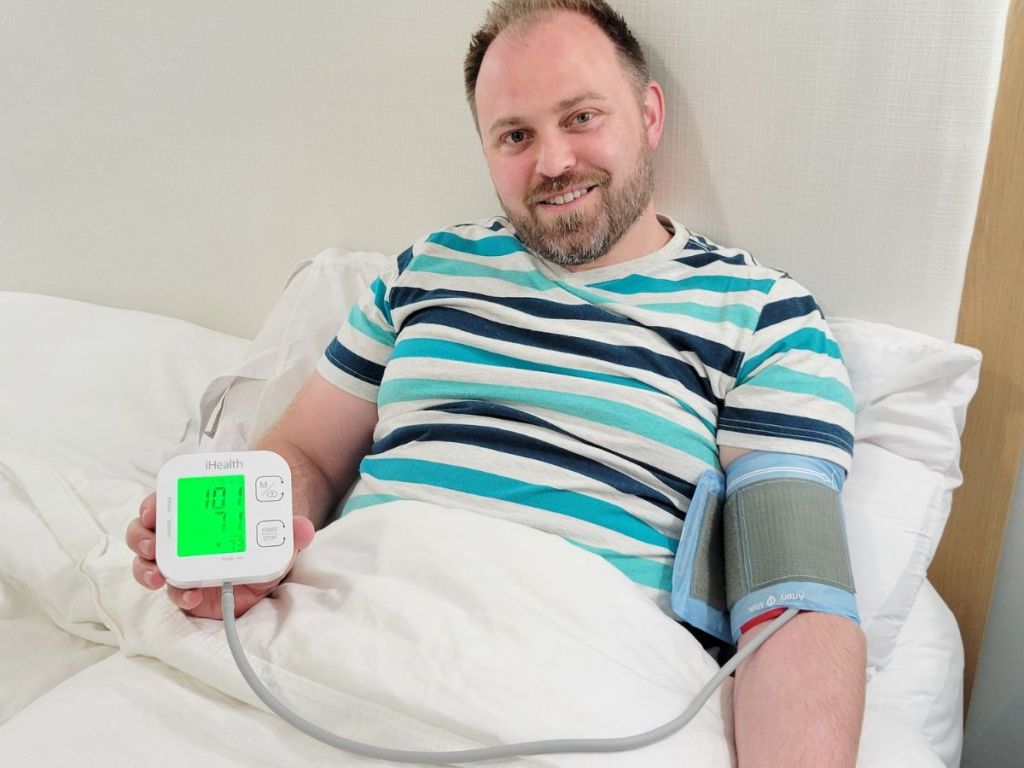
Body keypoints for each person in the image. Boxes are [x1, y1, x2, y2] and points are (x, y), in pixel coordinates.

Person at [126, 1, 866, 765]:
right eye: (516, 135)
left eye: (581, 117)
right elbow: (309, 456)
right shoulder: (424, 273)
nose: (551, 163)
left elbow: (795, 603)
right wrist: (251, 538)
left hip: (568, 676)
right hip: (332, 633)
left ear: (648, 114)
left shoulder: (761, 314)